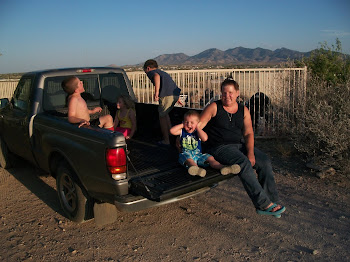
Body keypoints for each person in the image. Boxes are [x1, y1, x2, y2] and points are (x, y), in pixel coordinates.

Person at [199, 78, 286, 217]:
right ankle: (263, 205)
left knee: (264, 161)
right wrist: (184, 137)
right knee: (243, 163)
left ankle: (272, 201)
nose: (227, 96)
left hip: (238, 145)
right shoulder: (214, 107)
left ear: (237, 93)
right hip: (219, 147)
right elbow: (198, 125)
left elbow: (248, 132)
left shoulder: (243, 110)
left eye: (231, 92)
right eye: (224, 93)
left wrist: (250, 152)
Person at [170, 110, 241, 177]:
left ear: (197, 124)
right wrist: (183, 125)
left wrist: (197, 128)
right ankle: (195, 169)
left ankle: (223, 167)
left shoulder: (198, 132)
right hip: (186, 154)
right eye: (186, 122)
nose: (189, 124)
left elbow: (205, 138)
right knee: (189, 160)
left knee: (210, 159)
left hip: (198, 155)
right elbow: (172, 131)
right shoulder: (182, 132)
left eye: (192, 122)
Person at [143, 59, 181, 146]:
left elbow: (156, 77)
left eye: (145, 70)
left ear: (148, 68)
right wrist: (177, 97)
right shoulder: (162, 72)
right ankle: (171, 133)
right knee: (165, 114)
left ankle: (166, 140)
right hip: (174, 94)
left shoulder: (152, 72)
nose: (145, 73)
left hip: (166, 95)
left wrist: (156, 92)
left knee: (162, 117)